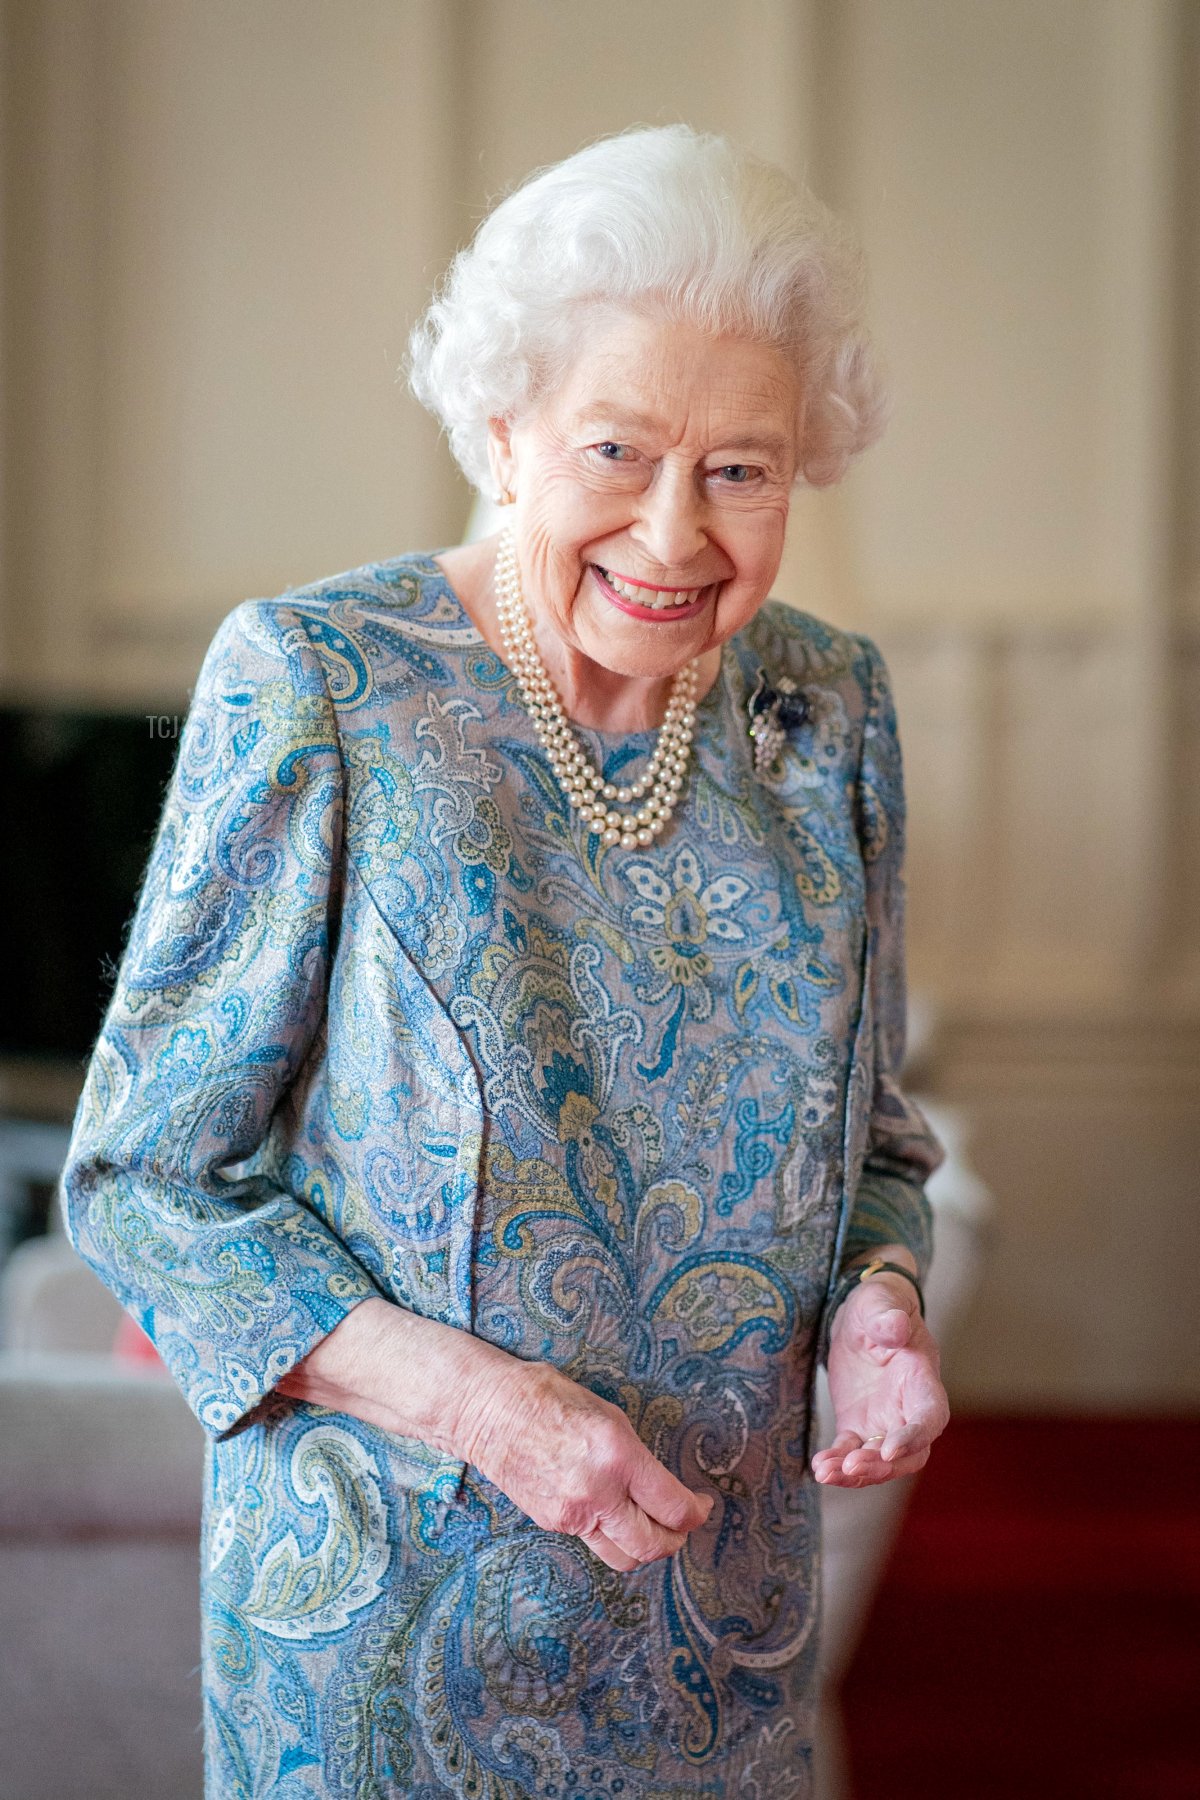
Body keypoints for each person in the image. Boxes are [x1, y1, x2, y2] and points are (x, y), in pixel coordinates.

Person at [60, 123, 949, 1798]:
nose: (678, 535)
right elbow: (139, 1182)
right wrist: (487, 1411)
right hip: (388, 1643)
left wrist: (880, 1306)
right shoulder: (321, 684)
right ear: (501, 429)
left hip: (716, 1638)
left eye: (742, 467)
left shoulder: (824, 711)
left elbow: (878, 1145)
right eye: (618, 448)